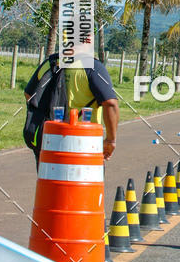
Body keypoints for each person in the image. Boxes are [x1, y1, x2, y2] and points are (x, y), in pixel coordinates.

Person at [24, 36, 120, 166]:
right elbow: (110, 103)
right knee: (84, 185)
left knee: (49, 183)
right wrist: (110, 140)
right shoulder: (92, 67)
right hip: (83, 141)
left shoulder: (50, 63)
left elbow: (29, 94)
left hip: (49, 138)